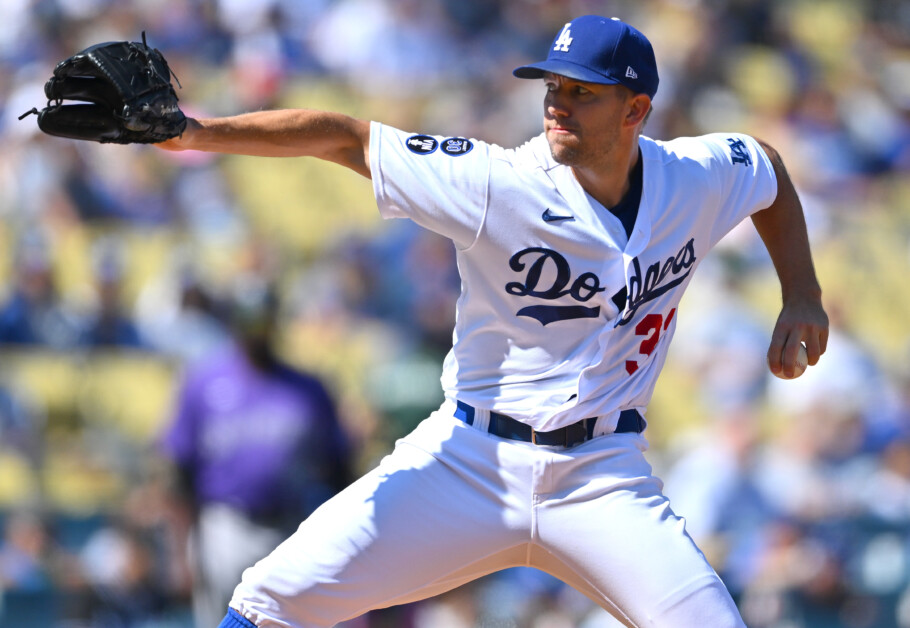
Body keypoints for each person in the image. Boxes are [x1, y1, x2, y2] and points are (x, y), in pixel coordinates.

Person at [156, 15, 828, 628]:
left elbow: (764, 166)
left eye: (583, 92)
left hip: (603, 473)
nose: (558, 105)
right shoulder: (496, 183)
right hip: (470, 461)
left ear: (637, 109)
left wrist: (801, 290)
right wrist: (196, 133)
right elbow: (346, 139)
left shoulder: (694, 176)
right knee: (267, 601)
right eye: (552, 87)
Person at [158, 277, 352, 628]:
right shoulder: (203, 381)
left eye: (263, 318)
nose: (256, 329)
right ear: (234, 322)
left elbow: (339, 469)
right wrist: (181, 553)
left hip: (292, 526)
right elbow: (179, 473)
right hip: (224, 525)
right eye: (248, 319)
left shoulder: (308, 389)